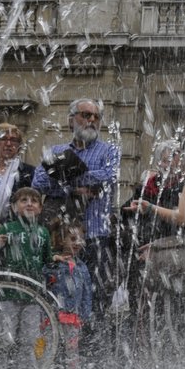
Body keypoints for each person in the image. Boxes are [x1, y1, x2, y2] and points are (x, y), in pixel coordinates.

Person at [32, 98, 121, 313]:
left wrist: (66, 177)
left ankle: (92, 344)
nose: (91, 120)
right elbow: (38, 183)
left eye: (96, 117)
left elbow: (109, 177)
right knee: (57, 297)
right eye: (85, 115)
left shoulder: (110, 151)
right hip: (60, 239)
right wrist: (76, 186)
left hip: (94, 237)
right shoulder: (56, 150)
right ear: (71, 120)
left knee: (94, 299)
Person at [123, 139, 185, 354]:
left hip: (179, 261)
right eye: (165, 158)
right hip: (151, 262)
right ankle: (150, 363)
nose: (169, 163)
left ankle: (180, 362)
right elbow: (131, 214)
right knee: (149, 316)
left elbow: (183, 218)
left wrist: (150, 208)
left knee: (178, 314)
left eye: (175, 157)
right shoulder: (152, 186)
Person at [0, 186, 53, 362]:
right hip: (8, 293)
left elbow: (48, 258)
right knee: (5, 336)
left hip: (33, 295)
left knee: (31, 338)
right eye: (23, 200)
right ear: (14, 207)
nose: (29, 204)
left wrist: (56, 258)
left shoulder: (43, 232)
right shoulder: (7, 228)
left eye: (34, 201)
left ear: (40, 208)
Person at [45, 219, 93, 369]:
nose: (78, 243)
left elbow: (87, 292)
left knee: (72, 350)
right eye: (73, 239)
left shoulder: (82, 267)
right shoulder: (54, 264)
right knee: (47, 347)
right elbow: (43, 282)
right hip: (51, 316)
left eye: (80, 239)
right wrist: (53, 260)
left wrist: (85, 314)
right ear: (60, 240)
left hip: (73, 316)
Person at [0, 122, 35, 222]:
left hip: (12, 229)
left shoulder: (28, 173)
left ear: (19, 146)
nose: (8, 144)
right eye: (3, 139)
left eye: (13, 140)